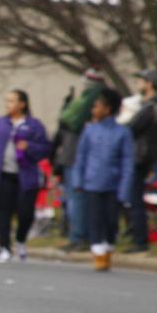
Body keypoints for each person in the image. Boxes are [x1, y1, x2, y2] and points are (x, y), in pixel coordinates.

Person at [0, 91, 50, 262]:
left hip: (26, 175)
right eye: (6, 101)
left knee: (25, 213)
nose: (8, 104)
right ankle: (4, 247)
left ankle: (21, 240)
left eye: (12, 101)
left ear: (22, 104)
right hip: (3, 175)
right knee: (3, 212)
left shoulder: (34, 125)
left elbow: (45, 148)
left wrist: (29, 146)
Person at [71, 88, 133, 271]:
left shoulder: (123, 133)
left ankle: (108, 247)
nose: (93, 110)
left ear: (108, 109)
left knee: (111, 221)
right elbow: (81, 157)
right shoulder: (90, 131)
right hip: (92, 183)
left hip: (113, 184)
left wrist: (125, 188)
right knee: (95, 219)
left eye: (97, 106)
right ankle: (98, 252)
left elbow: (127, 162)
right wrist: (78, 180)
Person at [55, 68, 106, 252]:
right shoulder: (86, 100)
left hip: (76, 157)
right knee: (77, 199)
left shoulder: (87, 100)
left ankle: (78, 237)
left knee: (77, 199)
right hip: (75, 156)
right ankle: (78, 235)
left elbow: (66, 119)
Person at [123, 70, 157, 253]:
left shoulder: (152, 106)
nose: (138, 83)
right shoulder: (147, 105)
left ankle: (140, 242)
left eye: (141, 80)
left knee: (135, 199)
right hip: (142, 155)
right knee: (132, 198)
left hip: (141, 156)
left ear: (149, 84)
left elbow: (133, 127)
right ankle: (138, 237)